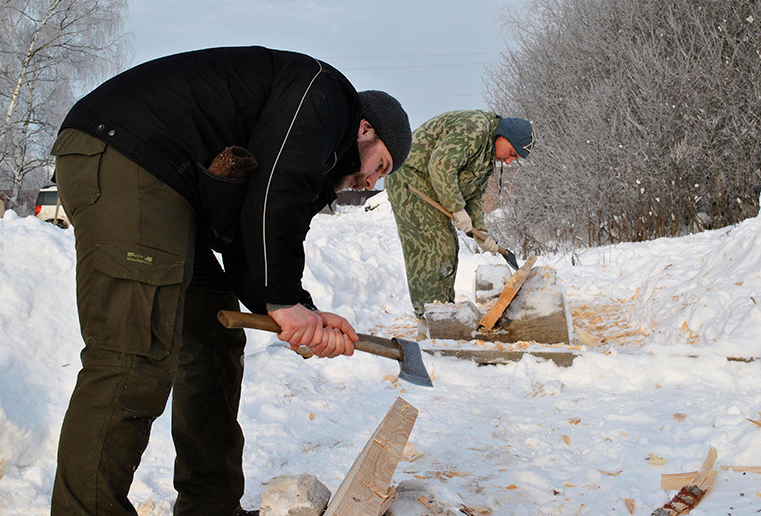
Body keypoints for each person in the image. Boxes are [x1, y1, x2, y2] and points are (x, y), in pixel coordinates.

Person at [49, 46, 412, 516]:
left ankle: (210, 506)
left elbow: (252, 236)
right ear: (365, 129)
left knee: (213, 339)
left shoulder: (309, 142)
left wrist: (300, 311)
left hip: (164, 185)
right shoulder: (327, 96)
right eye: (379, 166)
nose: (370, 184)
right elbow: (276, 194)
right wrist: (283, 300)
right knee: (131, 356)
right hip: (128, 155)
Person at [384, 110, 533, 337]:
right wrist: (455, 206)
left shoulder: (486, 156)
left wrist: (481, 234)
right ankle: (430, 321)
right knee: (434, 245)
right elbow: (440, 166)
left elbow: (473, 197)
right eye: (512, 153)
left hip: (432, 186)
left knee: (447, 247)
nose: (510, 161)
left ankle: (441, 312)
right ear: (504, 136)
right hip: (411, 179)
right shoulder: (475, 128)